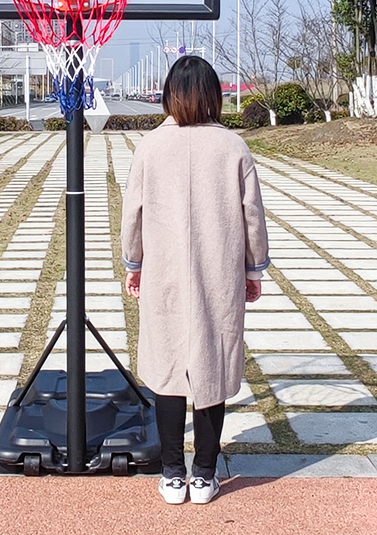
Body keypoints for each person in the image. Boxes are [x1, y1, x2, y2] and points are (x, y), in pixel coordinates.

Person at [121, 55, 269, 505]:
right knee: (211, 361)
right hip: (217, 272)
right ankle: (203, 474)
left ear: (170, 94)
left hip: (164, 272)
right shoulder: (233, 148)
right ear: (213, 96)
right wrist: (253, 267)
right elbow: (252, 217)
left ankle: (171, 473)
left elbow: (133, 214)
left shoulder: (150, 146)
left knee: (167, 367)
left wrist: (134, 263)